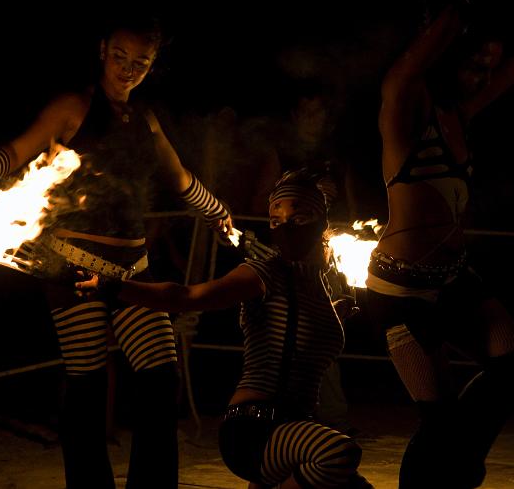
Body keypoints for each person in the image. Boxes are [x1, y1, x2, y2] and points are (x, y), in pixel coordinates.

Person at [0, 17, 232, 489]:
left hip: (133, 271)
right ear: (103, 49)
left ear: (152, 65)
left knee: (160, 377)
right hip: (72, 268)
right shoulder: (74, 106)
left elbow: (178, 175)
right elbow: (18, 149)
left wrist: (216, 210)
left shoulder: (145, 118)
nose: (129, 69)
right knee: (87, 385)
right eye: (121, 57)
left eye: (141, 62)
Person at [77, 168, 373, 488]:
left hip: (296, 427)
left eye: (298, 217)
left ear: (323, 223)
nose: (284, 226)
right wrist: (112, 286)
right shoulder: (265, 272)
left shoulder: (321, 286)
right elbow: (186, 296)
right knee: (339, 453)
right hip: (255, 429)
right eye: (275, 220)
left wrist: (338, 316)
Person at [364, 0, 514, 488]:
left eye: (488, 68)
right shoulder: (405, 107)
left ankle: (460, 458)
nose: (481, 79)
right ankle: (452, 461)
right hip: (401, 293)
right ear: (448, 56)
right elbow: (411, 63)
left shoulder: (460, 113)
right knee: (439, 425)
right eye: (473, 66)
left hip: (454, 278)